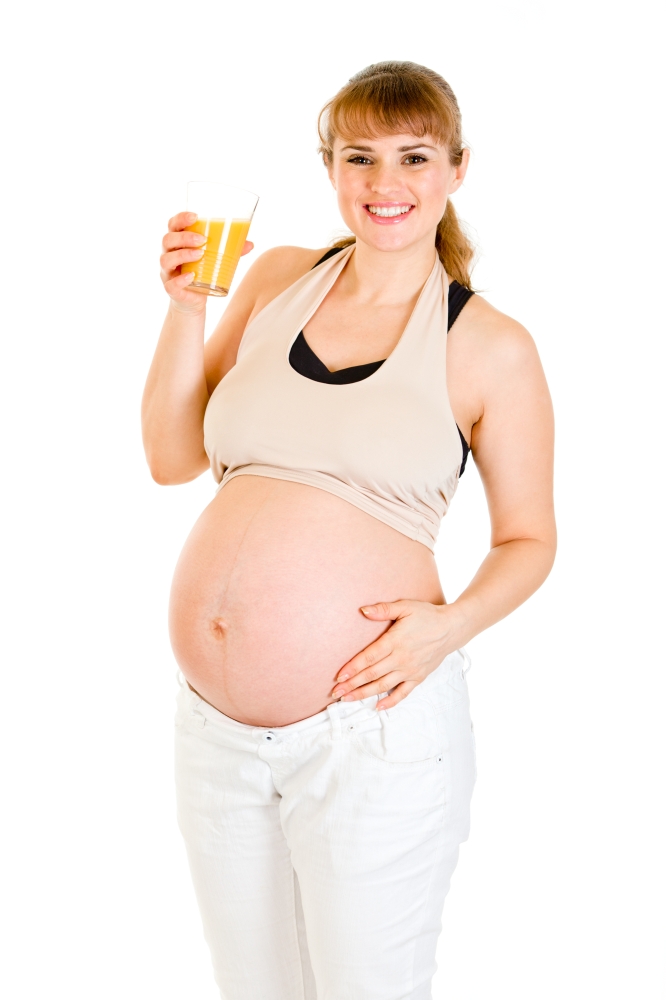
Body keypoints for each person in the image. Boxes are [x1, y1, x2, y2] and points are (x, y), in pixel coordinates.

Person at [141, 60, 555, 1000]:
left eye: (414, 156)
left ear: (455, 169)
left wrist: (449, 626)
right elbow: (170, 455)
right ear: (330, 170)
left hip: (369, 733)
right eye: (359, 157)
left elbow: (530, 540)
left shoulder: (488, 345)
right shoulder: (280, 277)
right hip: (216, 734)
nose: (385, 183)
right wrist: (186, 305)